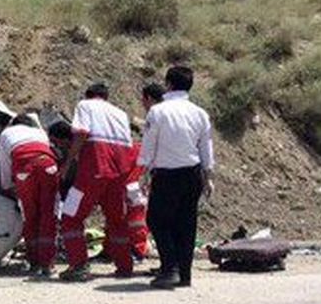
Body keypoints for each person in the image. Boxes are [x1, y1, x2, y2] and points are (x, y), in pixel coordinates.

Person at [140, 66, 215, 290]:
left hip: (166, 174)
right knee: (186, 224)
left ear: (168, 84)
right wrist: (208, 175)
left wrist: (143, 172)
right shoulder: (200, 113)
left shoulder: (158, 112)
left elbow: (149, 145)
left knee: (157, 220)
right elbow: (206, 147)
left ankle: (169, 268)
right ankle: (184, 274)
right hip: (192, 174)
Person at [59, 83, 136, 281]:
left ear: (88, 95)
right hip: (119, 172)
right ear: (106, 97)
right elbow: (128, 143)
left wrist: (68, 163)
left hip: (93, 170)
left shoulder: (85, 105)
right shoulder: (120, 113)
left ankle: (78, 266)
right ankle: (125, 266)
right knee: (117, 221)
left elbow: (82, 133)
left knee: (70, 216)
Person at [0, 113, 61, 279]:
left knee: (30, 215)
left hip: (23, 170)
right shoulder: (40, 133)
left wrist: (7, 186)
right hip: (48, 165)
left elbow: (4, 163)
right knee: (48, 215)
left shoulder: (6, 133)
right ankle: (47, 264)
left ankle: (34, 262)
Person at [121, 82, 165, 262]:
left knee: (137, 212)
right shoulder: (173, 114)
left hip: (149, 171)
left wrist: (145, 176)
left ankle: (139, 249)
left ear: (148, 98)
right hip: (164, 169)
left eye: (143, 99)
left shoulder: (156, 116)